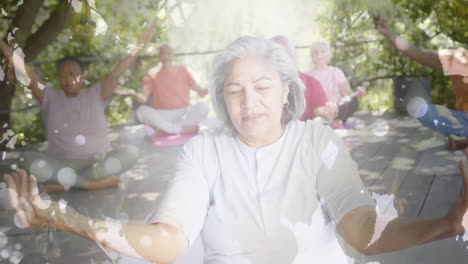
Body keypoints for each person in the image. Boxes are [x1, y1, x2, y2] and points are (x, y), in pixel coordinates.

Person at [4, 36, 468, 264]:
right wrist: (65, 217)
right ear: (221, 98)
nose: (249, 103)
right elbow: (168, 237)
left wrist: (447, 223)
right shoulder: (204, 151)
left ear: (287, 90)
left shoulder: (317, 142)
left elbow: (361, 228)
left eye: (263, 87)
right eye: (234, 91)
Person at [0, 18, 160, 193]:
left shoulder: (97, 93)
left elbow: (119, 70)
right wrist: (2, 44)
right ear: (59, 79)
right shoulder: (49, 96)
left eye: (73, 74)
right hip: (61, 164)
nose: (68, 79)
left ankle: (66, 184)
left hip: (96, 163)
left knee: (131, 153)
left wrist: (141, 44)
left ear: (83, 77)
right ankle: (89, 184)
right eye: (63, 75)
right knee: (26, 159)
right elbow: (23, 70)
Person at [373, 16, 468, 150]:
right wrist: (389, 33)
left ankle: (463, 142)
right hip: (463, 121)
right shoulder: (458, 59)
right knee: (424, 111)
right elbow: (418, 53)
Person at [125, 42, 210, 135]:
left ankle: (169, 130)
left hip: (184, 113)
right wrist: (131, 92)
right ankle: (180, 130)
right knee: (141, 111)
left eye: (168, 53)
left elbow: (201, 93)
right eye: (162, 53)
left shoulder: (184, 70)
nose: (166, 56)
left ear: (173, 55)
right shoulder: (151, 73)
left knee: (205, 106)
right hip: (162, 114)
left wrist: (212, 87)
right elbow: (143, 99)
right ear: (158, 56)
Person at [271, 35, 338, 123]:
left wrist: (328, 111)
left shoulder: (311, 82)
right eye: (273, 56)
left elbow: (318, 109)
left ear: (293, 57)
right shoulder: (257, 84)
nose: (279, 60)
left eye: (284, 55)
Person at [307, 40, 366, 128]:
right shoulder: (307, 75)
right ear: (311, 56)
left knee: (353, 101)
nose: (319, 56)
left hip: (336, 111)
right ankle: (329, 123)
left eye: (322, 52)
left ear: (328, 55)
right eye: (315, 52)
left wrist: (357, 94)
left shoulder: (336, 72)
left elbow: (348, 95)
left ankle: (335, 122)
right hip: (317, 113)